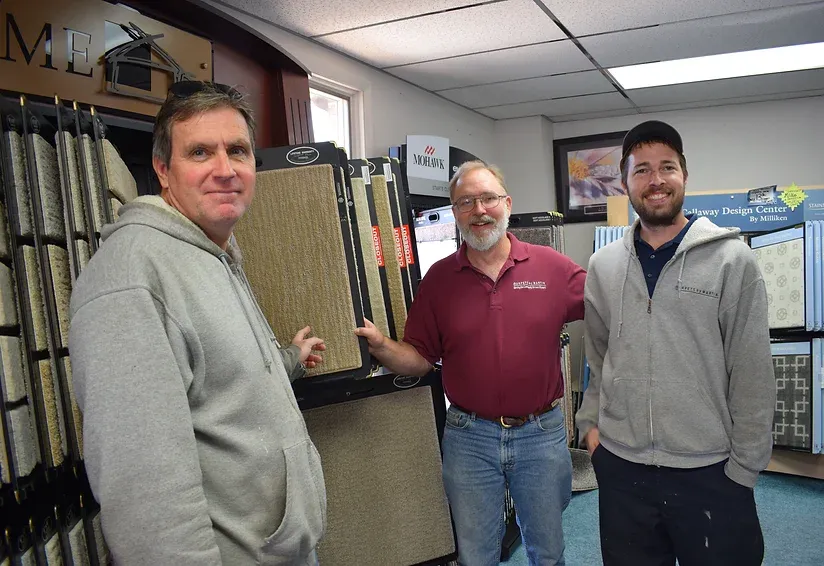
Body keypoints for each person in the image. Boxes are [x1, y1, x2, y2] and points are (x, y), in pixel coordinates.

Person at [69, 81, 327, 565]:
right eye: (200, 152)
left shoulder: (213, 252)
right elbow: (146, 497)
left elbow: (220, 382)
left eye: (237, 151)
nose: (225, 170)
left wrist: (289, 358)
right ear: (163, 170)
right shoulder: (132, 279)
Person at [355, 160, 586, 566]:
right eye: (466, 202)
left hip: (540, 434)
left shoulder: (552, 267)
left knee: (548, 552)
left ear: (507, 204)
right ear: (455, 213)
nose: (479, 210)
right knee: (475, 556)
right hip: (469, 438)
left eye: (488, 198)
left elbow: (608, 305)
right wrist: (380, 346)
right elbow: (420, 358)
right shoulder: (439, 280)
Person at [575, 120, 776, 566]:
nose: (656, 180)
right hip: (623, 468)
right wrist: (592, 430)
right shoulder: (603, 266)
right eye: (642, 170)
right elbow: (599, 358)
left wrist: (744, 468)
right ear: (625, 182)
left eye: (667, 167)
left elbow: (752, 371)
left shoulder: (731, 260)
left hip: (710, 470)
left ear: (684, 174)